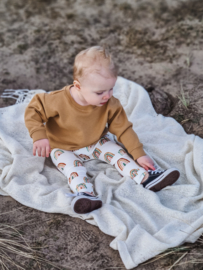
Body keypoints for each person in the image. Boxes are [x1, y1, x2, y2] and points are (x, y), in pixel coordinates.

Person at [24, 46, 180, 215]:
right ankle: (85, 194)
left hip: (96, 141)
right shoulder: (56, 100)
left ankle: (146, 177)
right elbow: (34, 111)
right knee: (72, 169)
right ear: (78, 86)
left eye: (111, 88)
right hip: (63, 147)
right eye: (100, 92)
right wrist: (39, 135)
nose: (107, 96)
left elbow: (123, 129)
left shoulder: (110, 103)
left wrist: (139, 154)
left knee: (118, 152)